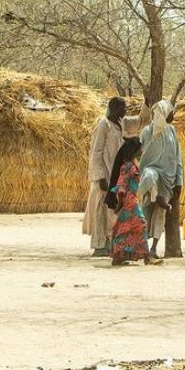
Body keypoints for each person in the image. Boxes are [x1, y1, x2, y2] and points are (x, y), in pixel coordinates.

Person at [138, 99, 183, 258]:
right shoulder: (146, 132)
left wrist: (179, 182)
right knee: (150, 176)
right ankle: (155, 196)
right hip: (150, 173)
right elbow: (138, 152)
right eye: (170, 113)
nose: (172, 115)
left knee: (160, 214)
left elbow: (178, 158)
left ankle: (153, 249)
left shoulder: (172, 131)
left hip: (167, 178)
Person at [84, 98, 126, 256]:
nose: (125, 112)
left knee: (109, 211)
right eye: (124, 109)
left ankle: (108, 243)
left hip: (113, 174)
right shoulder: (103, 125)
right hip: (103, 176)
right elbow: (96, 152)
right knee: (100, 210)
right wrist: (100, 176)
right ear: (116, 109)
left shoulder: (117, 125)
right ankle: (99, 245)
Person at [105, 138, 154, 266]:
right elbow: (122, 185)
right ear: (134, 150)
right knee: (141, 225)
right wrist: (121, 203)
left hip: (130, 199)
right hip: (130, 200)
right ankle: (147, 257)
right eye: (140, 148)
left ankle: (119, 256)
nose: (142, 150)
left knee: (125, 228)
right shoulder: (128, 166)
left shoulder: (130, 165)